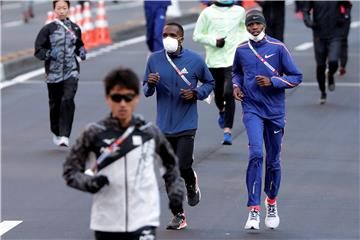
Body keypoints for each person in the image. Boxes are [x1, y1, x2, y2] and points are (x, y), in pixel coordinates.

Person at [63, 67, 185, 240]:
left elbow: (171, 166)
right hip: (107, 221)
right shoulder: (94, 133)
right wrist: (90, 182)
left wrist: (176, 194)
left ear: (136, 98)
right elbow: (70, 171)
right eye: (116, 98)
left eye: (128, 98)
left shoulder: (149, 133)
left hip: (144, 219)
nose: (122, 104)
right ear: (107, 98)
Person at [232, 10, 302, 230]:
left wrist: (273, 81)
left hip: (274, 111)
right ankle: (253, 209)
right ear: (246, 27)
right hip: (252, 108)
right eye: (250, 25)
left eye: (257, 24)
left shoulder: (278, 48)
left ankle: (271, 201)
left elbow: (296, 77)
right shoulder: (242, 49)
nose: (254, 28)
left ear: (263, 25)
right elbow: (236, 72)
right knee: (255, 153)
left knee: (273, 160)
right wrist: (236, 86)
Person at [143, 22, 214, 229]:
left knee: (182, 166)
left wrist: (196, 93)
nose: (168, 38)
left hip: (187, 123)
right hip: (164, 125)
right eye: (164, 35)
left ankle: (191, 185)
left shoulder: (195, 60)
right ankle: (178, 215)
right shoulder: (154, 59)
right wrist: (151, 83)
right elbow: (146, 90)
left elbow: (210, 83)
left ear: (181, 38)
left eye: (172, 35)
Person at [193, 0, 247, 145]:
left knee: (229, 92)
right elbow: (197, 35)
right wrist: (213, 41)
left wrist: (243, 44)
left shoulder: (239, 11)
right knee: (218, 94)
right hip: (214, 61)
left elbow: (244, 30)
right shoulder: (207, 12)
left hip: (233, 59)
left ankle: (227, 131)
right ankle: (221, 110)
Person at [35, 0, 86, 147]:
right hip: (53, 74)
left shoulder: (75, 28)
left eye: (64, 8)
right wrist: (50, 53)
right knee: (55, 104)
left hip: (71, 71)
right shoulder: (47, 30)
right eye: (59, 8)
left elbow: (79, 46)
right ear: (54, 10)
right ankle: (56, 131)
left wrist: (81, 51)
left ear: (69, 9)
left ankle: (65, 135)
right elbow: (38, 51)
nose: (62, 11)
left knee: (68, 100)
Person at [302, 1, 352, 104]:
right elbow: (305, 10)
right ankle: (322, 91)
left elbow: (348, 6)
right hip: (319, 34)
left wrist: (344, 17)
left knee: (333, 61)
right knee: (320, 66)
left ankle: (330, 75)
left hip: (335, 34)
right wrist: (309, 22)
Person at [338, 1, 352, 76]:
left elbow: (348, 5)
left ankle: (342, 65)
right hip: (330, 17)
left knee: (343, 41)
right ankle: (341, 65)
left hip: (342, 16)